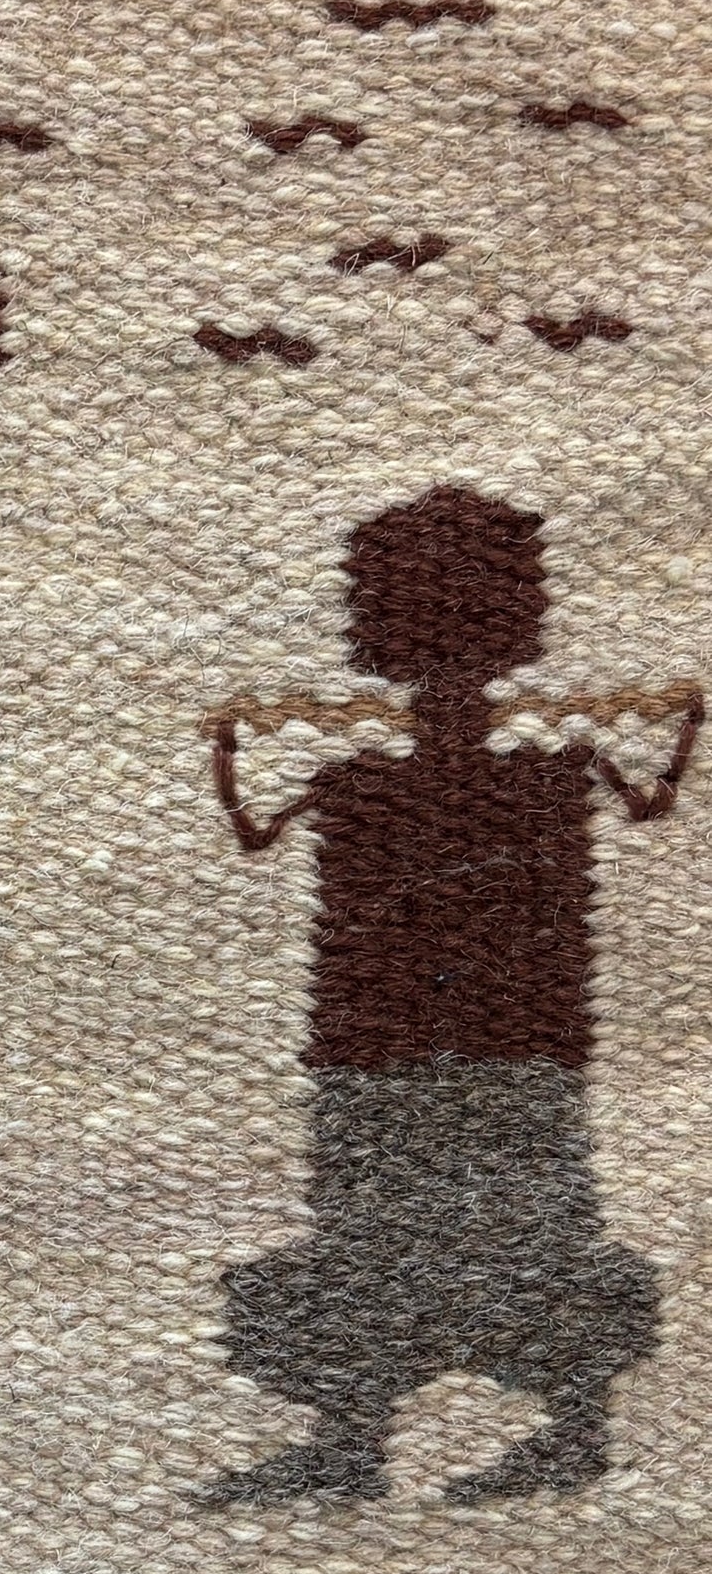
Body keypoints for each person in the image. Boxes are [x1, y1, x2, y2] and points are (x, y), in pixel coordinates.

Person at [207, 484, 700, 1505]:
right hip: (474, 1022)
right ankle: (523, 1428)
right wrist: (686, 724)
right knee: (491, 1213)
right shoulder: (535, 773)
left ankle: (377, 1434)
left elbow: (254, 829)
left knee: (410, 1213)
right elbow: (650, 798)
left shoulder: (367, 780)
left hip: (413, 1024)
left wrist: (225, 748)